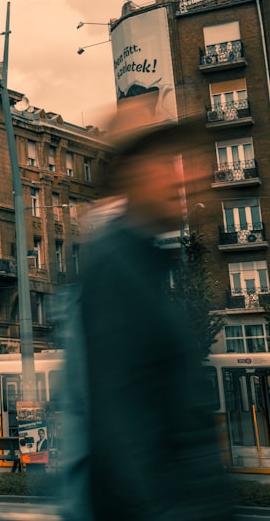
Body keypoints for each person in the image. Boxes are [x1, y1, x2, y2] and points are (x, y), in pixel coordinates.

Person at [59, 108, 235, 520]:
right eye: (166, 164)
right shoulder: (117, 265)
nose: (184, 176)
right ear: (130, 175)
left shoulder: (143, 261)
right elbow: (123, 430)